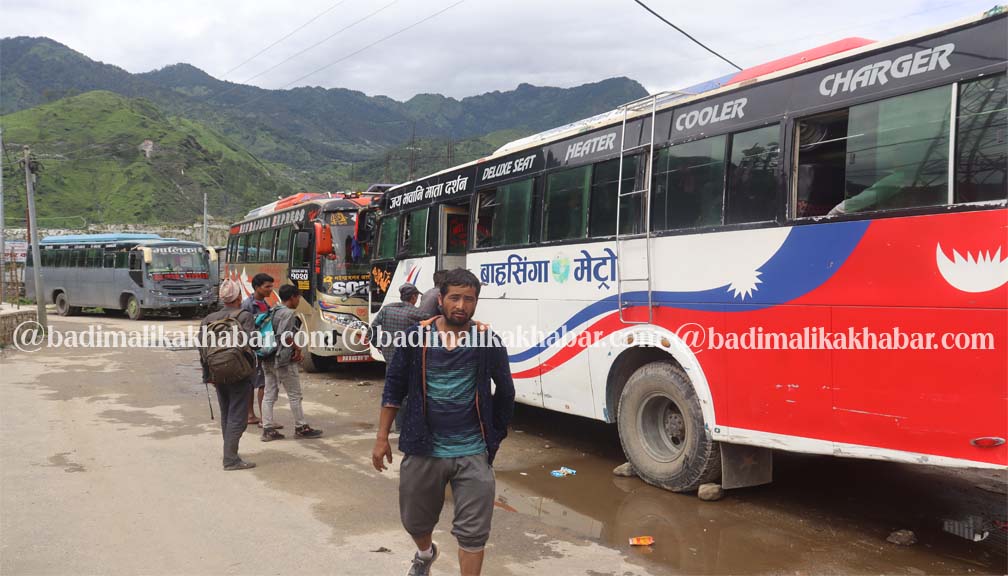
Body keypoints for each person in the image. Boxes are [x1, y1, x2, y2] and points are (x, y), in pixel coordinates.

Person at [371, 268, 515, 576]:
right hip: (424, 448)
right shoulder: (415, 338)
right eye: (455, 298)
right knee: (415, 521)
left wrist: (494, 437)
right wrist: (382, 437)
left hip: (473, 452)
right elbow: (394, 386)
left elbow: (505, 391)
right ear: (440, 299)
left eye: (469, 299)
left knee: (474, 534)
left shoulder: (487, 340)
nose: (461, 306)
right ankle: (425, 553)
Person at [199, 280, 256, 471]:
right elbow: (252, 343)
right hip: (240, 373)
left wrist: (208, 375)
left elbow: (203, 348)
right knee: (238, 417)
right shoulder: (245, 315)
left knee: (226, 413)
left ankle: (230, 452)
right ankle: (230, 459)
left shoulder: (208, 318)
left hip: (216, 372)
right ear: (239, 297)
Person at [261, 285, 323, 441]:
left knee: (269, 395)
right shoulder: (288, 313)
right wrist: (298, 348)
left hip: (267, 356)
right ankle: (301, 427)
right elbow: (285, 336)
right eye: (298, 298)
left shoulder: (273, 310)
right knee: (295, 395)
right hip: (283, 360)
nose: (299, 301)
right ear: (293, 297)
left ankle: (267, 429)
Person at [370, 283, 426, 433]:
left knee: (391, 391)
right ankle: (401, 426)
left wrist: (378, 343)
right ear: (413, 297)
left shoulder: (387, 309)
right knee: (407, 394)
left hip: (390, 357)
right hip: (408, 360)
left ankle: (391, 425)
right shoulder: (417, 313)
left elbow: (372, 328)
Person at [242, 273, 273, 427]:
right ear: (256, 287)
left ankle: (253, 415)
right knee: (261, 383)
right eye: (267, 286)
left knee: (256, 383)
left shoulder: (266, 304)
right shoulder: (247, 305)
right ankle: (263, 418)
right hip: (254, 350)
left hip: (263, 348)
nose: (270, 290)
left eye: (271, 286)